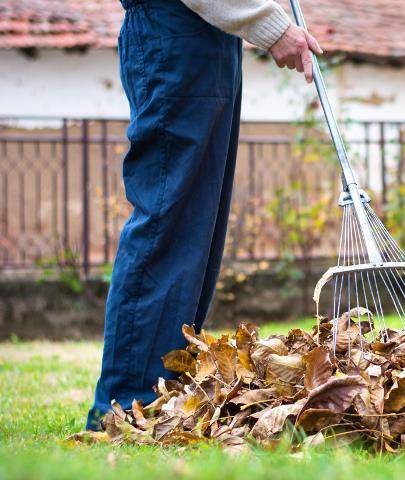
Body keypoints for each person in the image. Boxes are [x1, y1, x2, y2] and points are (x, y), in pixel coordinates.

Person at [86, 0, 322, 430]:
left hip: (207, 38)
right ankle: (124, 407)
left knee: (196, 232)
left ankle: (164, 398)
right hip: (174, 32)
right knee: (167, 222)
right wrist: (270, 25)